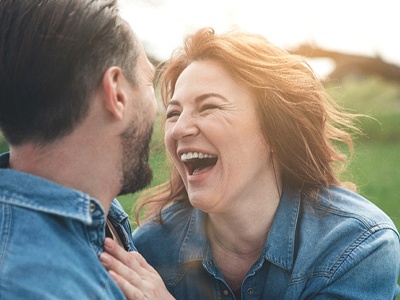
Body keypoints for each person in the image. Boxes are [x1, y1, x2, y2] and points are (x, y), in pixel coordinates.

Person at [101, 27, 400, 299]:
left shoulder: (356, 246)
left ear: (274, 130)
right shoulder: (151, 250)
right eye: (173, 113)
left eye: (209, 107)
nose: (179, 129)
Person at [0, 0, 172, 298]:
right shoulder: (32, 288)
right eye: (148, 81)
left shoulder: (102, 215)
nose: (157, 108)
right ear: (116, 92)